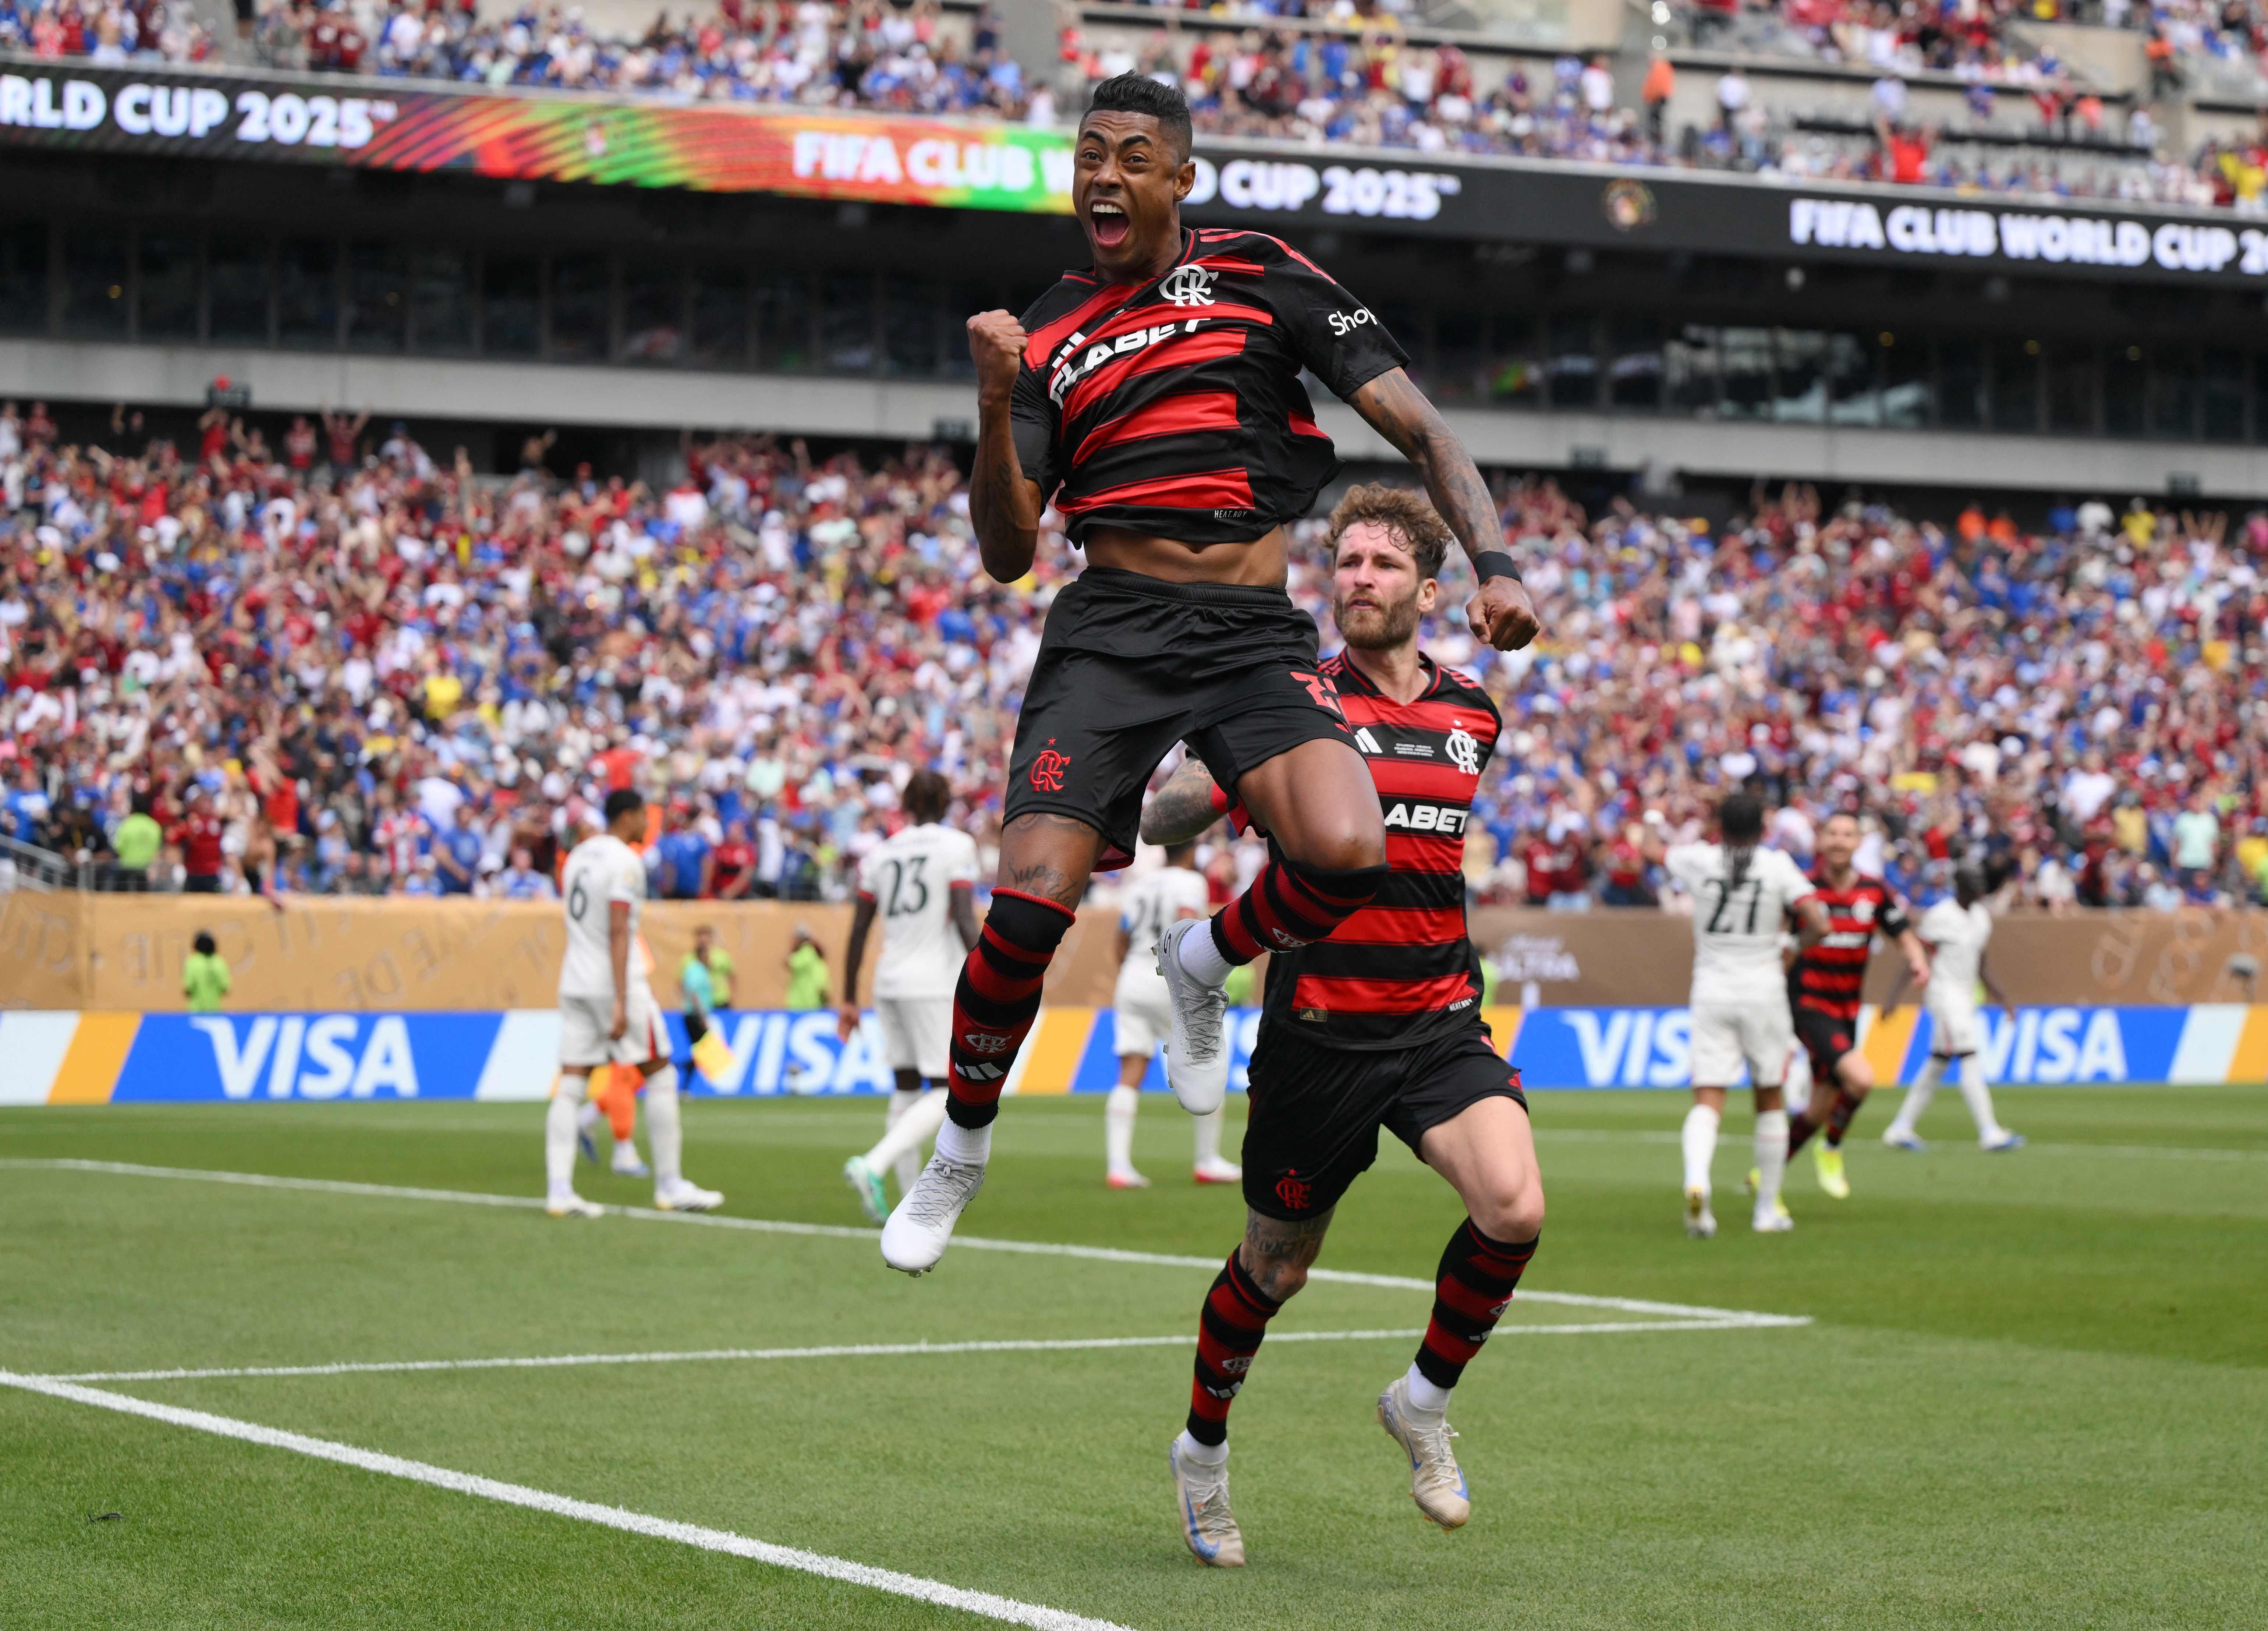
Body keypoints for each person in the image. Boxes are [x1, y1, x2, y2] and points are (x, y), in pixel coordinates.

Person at [880, 73, 1540, 1276]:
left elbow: (1423, 430)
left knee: (1346, 849)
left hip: (1246, 628)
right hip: (1110, 631)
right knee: (1026, 910)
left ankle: (1200, 958)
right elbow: (1007, 553)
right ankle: (960, 1148)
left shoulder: (1260, 272)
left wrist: (1493, 564)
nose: (1104, 176)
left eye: (1132, 157)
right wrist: (993, 397)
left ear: (1180, 179)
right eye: (1089, 155)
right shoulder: (1050, 327)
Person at [1137, 486, 1543, 1566]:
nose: (1358, 578)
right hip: (1316, 1036)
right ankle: (1201, 1453)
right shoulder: (1294, 701)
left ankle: (1420, 1403)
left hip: (1436, 1021)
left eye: (1381, 563)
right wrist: (1210, 764)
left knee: (1513, 1207)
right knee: (1272, 1272)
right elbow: (1160, 817)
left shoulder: (1472, 714)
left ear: (1426, 589)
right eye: (1346, 562)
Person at [543, 789, 722, 1218]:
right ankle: (670, 1185)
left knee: (571, 1084)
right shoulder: (625, 861)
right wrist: (622, 1000)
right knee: (660, 1072)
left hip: (575, 979)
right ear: (627, 816)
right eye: (644, 815)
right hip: (614, 982)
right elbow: (619, 928)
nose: (648, 823)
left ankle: (559, 1190)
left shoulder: (578, 856)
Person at [1658, 795, 1829, 1238]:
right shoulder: (1776, 866)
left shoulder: (1699, 859)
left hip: (1711, 989)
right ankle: (1766, 1210)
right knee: (1769, 1095)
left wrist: (1657, 818)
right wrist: (1792, 947)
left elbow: (1650, 852)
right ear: (1762, 829)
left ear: (1720, 825)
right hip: (1763, 989)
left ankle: (1697, 1178)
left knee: (1707, 1097)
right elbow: (1819, 922)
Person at [839, 771, 981, 1223]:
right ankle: (873, 1164)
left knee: (904, 1087)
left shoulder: (880, 853)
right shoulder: (957, 845)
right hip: (932, 983)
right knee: (946, 1092)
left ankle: (907, 1206)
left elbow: (858, 931)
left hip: (888, 981)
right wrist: (991, 976)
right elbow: (963, 917)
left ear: (904, 804)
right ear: (946, 802)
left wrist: (848, 998)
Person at [1778, 811, 1930, 1200]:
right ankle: (1831, 1148)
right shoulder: (1801, 889)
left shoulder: (1873, 892)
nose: (1839, 841)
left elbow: (1903, 934)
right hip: (1807, 1004)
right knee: (1860, 1079)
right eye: (1832, 833)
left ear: (1858, 843)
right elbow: (1777, 938)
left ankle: (1767, 1172)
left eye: (1847, 835)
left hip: (1847, 1010)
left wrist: (1917, 960)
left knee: (1817, 1110)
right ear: (1820, 840)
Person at [1104, 834, 1238, 1189]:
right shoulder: (1191, 882)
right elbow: (1185, 924)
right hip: (1172, 981)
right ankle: (1207, 1160)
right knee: (1206, 1061)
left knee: (1130, 1070)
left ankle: (1119, 1167)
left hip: (1132, 978)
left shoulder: (1140, 884)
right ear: (1192, 851)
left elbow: (1121, 936)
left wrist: (1129, 971)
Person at [1878, 863, 2025, 1153]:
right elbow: (1915, 957)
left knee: (1938, 1062)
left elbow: (1981, 963)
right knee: (1969, 1055)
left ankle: (1900, 1128)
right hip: (1944, 995)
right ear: (1959, 885)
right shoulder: (1940, 917)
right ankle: (1989, 1131)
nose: (1980, 885)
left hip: (1967, 996)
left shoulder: (1981, 917)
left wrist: (2003, 998)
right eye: (1974, 880)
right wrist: (1893, 997)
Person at [783, 926, 829, 1011]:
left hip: (803, 1004)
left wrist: (792, 950)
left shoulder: (806, 952)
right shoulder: (816, 957)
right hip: (814, 1004)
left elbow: (789, 963)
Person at [183, 930, 231, 1012]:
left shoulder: (192, 963)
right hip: (215, 1011)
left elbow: (188, 989)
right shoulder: (220, 962)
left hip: (196, 1012)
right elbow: (225, 988)